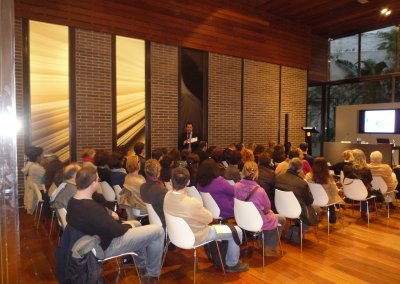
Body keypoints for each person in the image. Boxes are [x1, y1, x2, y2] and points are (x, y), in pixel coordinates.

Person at [66, 166, 164, 283]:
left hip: (97, 239)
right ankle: (152, 275)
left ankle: (142, 266)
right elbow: (116, 231)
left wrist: (126, 224)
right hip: (105, 245)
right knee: (158, 231)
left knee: (137, 223)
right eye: (98, 179)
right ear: (93, 183)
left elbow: (106, 225)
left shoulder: (73, 202)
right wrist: (127, 226)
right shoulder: (91, 208)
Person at [163, 167, 249, 273]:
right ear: (188, 182)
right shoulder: (191, 203)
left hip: (175, 236)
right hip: (197, 235)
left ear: (171, 182)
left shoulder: (167, 196)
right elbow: (209, 218)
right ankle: (232, 264)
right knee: (237, 231)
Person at [234, 161, 285, 256]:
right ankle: (269, 248)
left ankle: (260, 243)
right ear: (256, 173)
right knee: (280, 218)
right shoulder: (260, 191)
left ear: (243, 172)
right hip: (257, 221)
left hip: (242, 220)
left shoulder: (236, 186)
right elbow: (267, 208)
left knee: (268, 216)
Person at [276, 158, 320, 227]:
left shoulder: (278, 178)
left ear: (289, 166)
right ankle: (298, 229)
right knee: (317, 209)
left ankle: (296, 228)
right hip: (298, 210)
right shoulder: (302, 183)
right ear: (300, 169)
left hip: (280, 208)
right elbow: (309, 201)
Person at [305, 157, 344, 223]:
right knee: (335, 197)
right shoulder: (329, 178)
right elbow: (334, 192)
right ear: (325, 166)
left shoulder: (308, 176)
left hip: (313, 199)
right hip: (327, 201)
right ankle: (334, 215)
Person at [343, 149, 374, 219]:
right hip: (363, 194)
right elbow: (369, 181)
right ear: (363, 157)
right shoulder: (366, 169)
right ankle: (364, 212)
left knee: (363, 188)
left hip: (349, 192)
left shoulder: (346, 167)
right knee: (366, 188)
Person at [140, 159, 168, 227]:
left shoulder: (142, 187)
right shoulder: (162, 190)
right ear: (158, 172)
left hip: (152, 221)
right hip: (164, 222)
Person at [22, 146, 46, 214]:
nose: (44, 156)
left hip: (36, 190)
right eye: (42, 154)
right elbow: (44, 179)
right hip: (40, 191)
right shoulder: (37, 167)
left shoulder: (32, 165)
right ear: (38, 157)